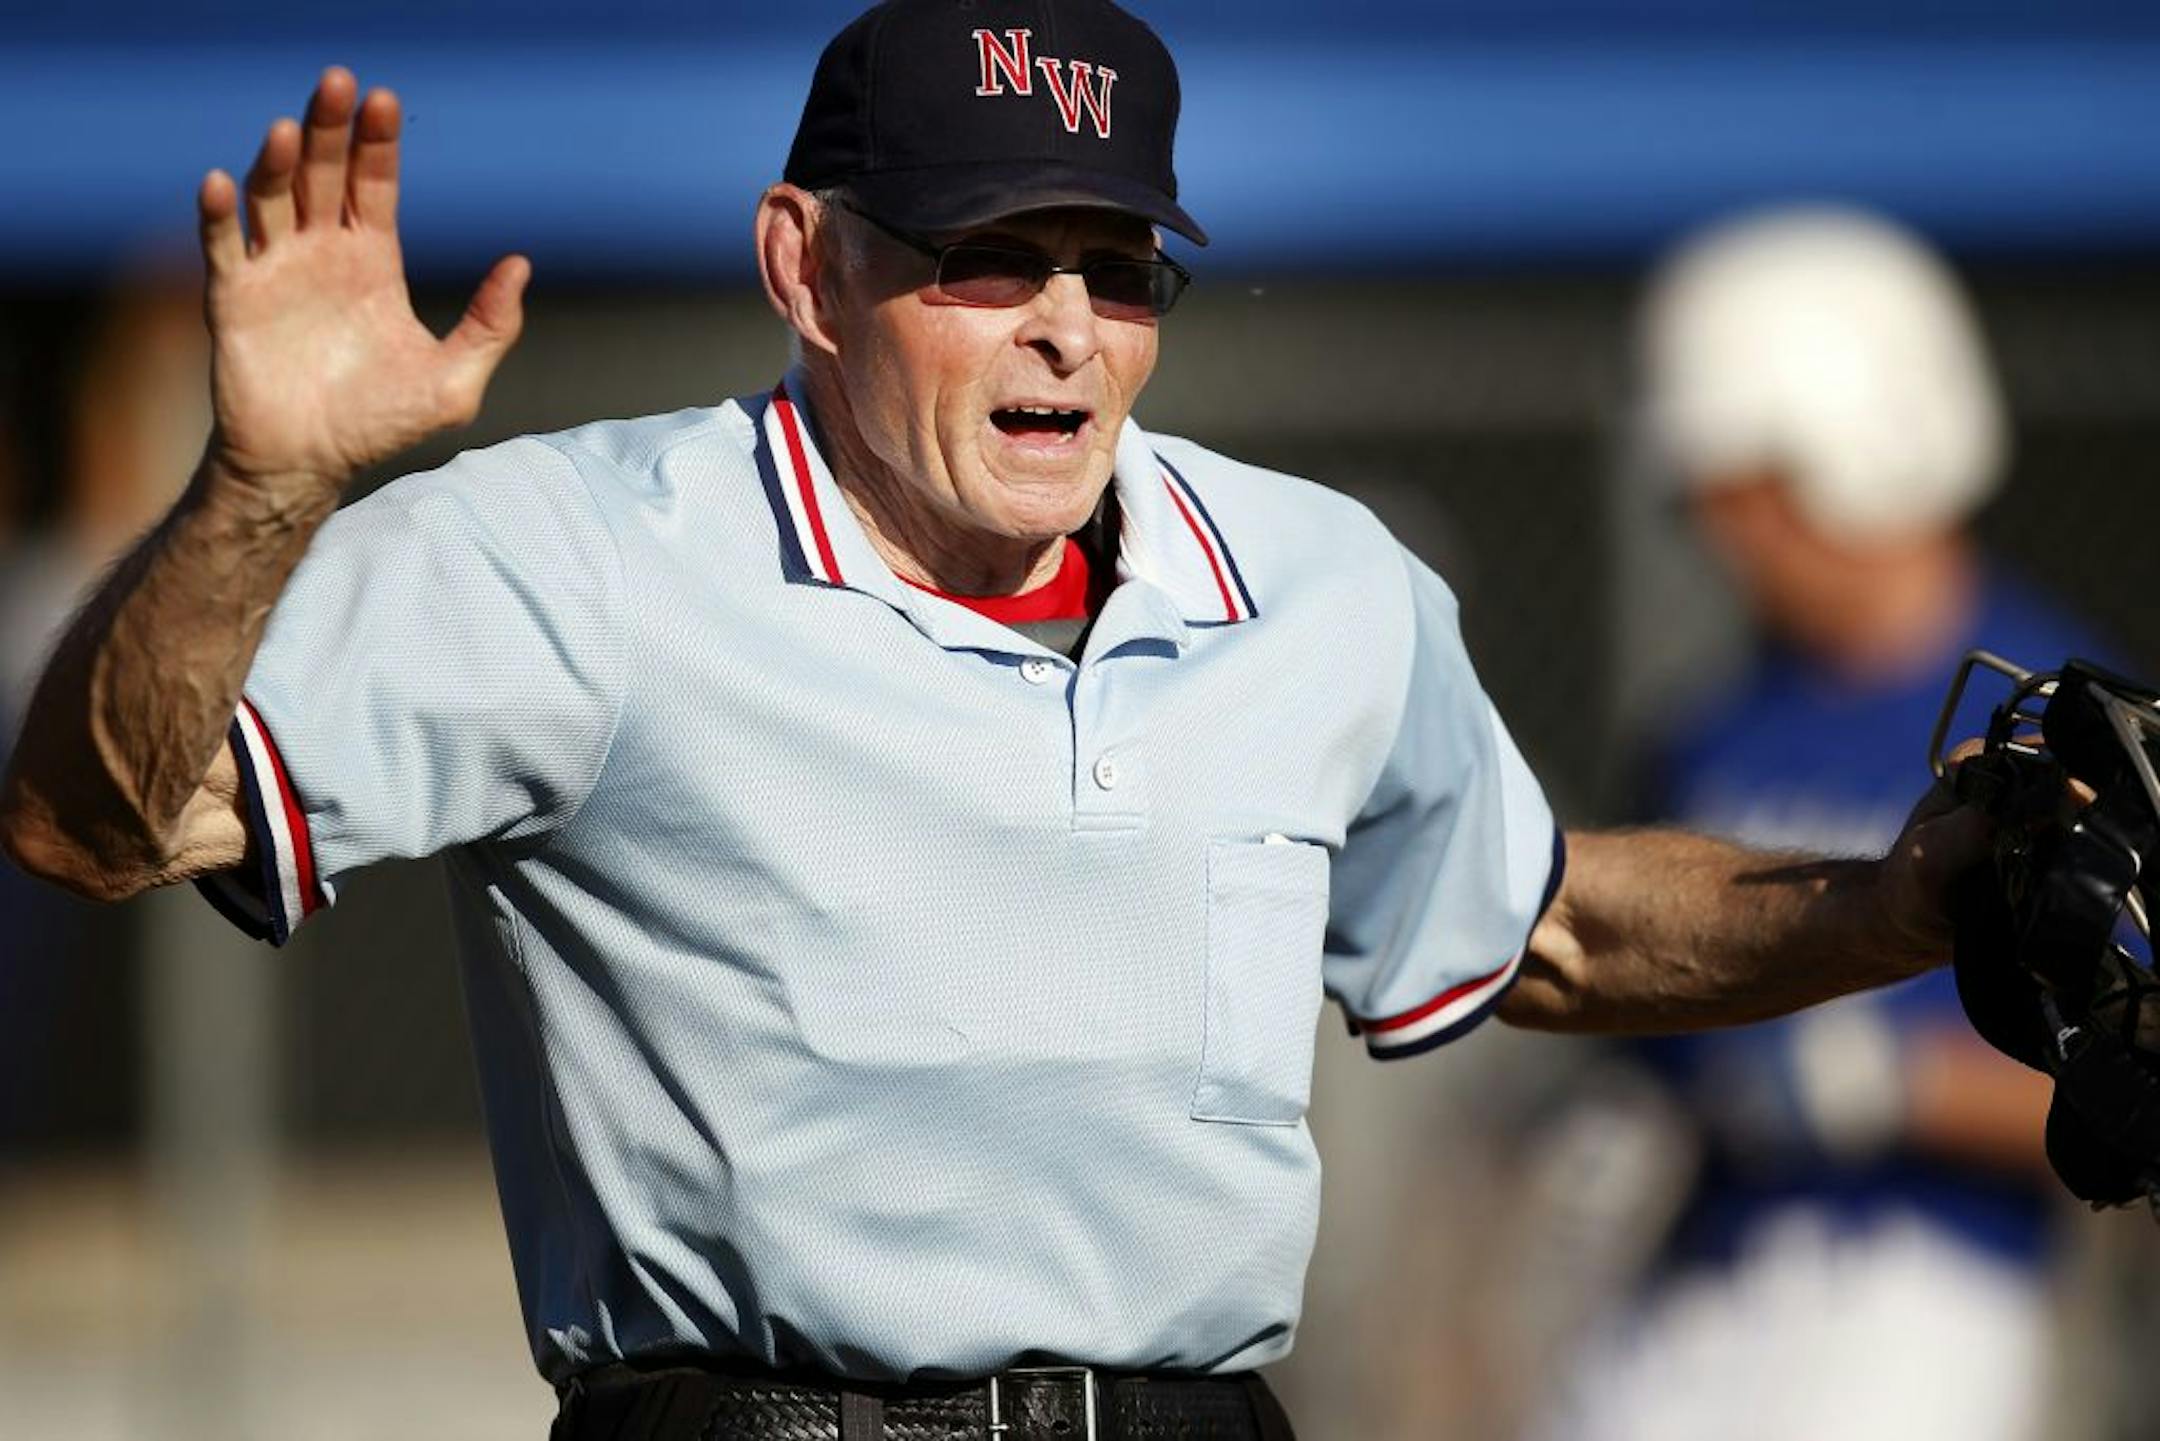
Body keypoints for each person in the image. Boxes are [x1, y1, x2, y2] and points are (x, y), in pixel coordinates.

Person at [0, 6, 1987, 1439]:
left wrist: (1903, 908)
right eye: (987, 256)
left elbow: (1544, 925)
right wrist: (261, 493)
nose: (1065, 320)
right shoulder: (581, 554)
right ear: (806, 265)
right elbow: (98, 822)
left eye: (1115, 267)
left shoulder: (1322, 586)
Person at [1534, 207, 2091, 1441]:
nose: (1729, 540)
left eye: (1756, 492)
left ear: (1856, 446)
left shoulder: (2065, 717)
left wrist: (1898, 1089)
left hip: (1930, 1290)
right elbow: (1643, 1051)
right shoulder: (1710, 732)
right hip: (1695, 1282)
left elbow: (2135, 1070)